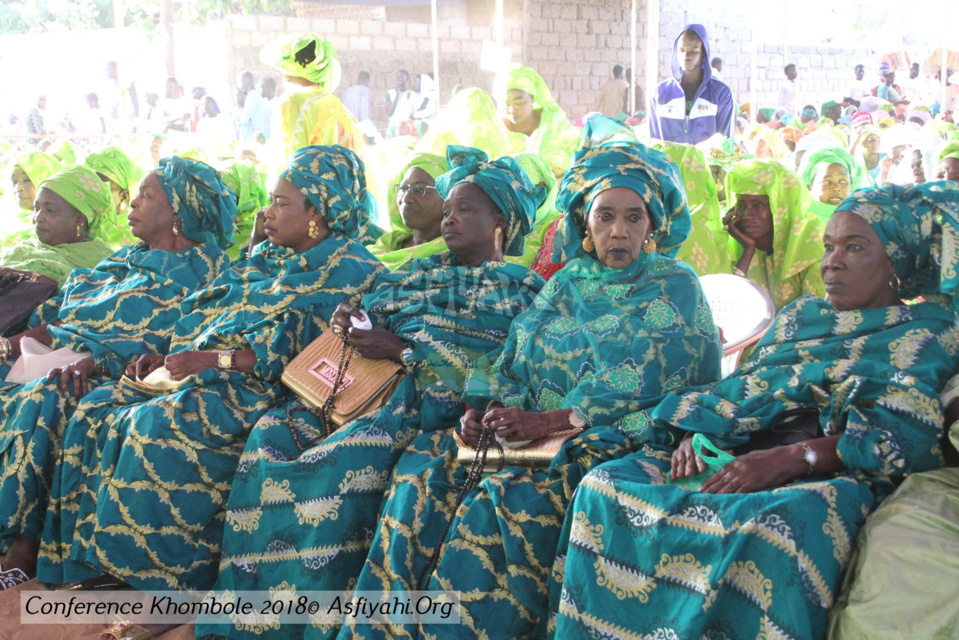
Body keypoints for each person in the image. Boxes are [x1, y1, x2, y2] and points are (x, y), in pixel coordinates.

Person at [344, 117, 723, 639]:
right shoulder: (565, 283)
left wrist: (552, 420)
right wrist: (481, 409)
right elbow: (515, 355)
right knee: (421, 472)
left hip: (605, 440)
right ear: (583, 225)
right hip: (523, 436)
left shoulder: (674, 285)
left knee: (497, 506)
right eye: (605, 216)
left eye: (634, 217)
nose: (619, 231)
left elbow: (655, 371)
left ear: (652, 225)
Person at [551, 182, 959, 640]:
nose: (832, 261)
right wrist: (696, 435)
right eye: (828, 246)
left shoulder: (926, 329)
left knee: (771, 530)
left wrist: (792, 458)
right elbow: (740, 387)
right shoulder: (800, 316)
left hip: (829, 466)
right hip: (737, 447)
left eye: (855, 247)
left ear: (896, 261)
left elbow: (906, 432)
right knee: (605, 486)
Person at [198, 146, 545, 640]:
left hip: (427, 409)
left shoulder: (524, 291)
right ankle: (251, 619)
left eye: (465, 209)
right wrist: (350, 319)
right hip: (358, 391)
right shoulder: (417, 273)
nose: (449, 219)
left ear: (501, 222)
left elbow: (499, 375)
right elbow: (366, 309)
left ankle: (308, 625)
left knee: (340, 463)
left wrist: (403, 352)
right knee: (271, 433)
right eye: (447, 209)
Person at [36, 147, 383, 604]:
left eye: (282, 203)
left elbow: (309, 354)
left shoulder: (353, 270)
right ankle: (93, 564)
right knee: (98, 408)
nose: (267, 212)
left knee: (158, 424)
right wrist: (166, 356)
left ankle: (158, 583)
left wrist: (211, 362)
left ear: (317, 211)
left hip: (266, 391)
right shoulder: (266, 260)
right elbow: (206, 314)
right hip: (203, 371)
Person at [0, 157, 233, 588]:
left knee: (50, 395)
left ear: (179, 212)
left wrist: (97, 358)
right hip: (50, 355)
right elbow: (57, 319)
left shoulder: (208, 273)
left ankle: (24, 543)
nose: (132, 204)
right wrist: (8, 346)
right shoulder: (119, 262)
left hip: (115, 374)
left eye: (147, 197)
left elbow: (178, 339)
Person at [723, 159, 826, 311]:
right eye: (741, 205)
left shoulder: (809, 240)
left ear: (780, 207)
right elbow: (727, 308)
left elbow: (818, 313)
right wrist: (748, 251)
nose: (746, 215)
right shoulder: (734, 243)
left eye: (757, 205)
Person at [0, 165, 115, 291]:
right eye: (36, 208)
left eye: (50, 210)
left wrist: (33, 278)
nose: (38, 217)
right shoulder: (23, 250)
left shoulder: (104, 264)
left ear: (79, 219)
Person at [265, 33, 365, 162]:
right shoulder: (337, 106)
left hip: (301, 181)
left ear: (286, 73)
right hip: (337, 182)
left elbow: (285, 161)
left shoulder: (291, 103)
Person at [648, 24, 735, 145]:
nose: (686, 56)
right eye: (682, 50)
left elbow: (726, 143)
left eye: (693, 51)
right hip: (668, 164)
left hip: (706, 164)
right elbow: (653, 143)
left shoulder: (721, 94)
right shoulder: (660, 93)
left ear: (703, 53)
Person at [496, 64, 581, 177]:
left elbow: (577, 153)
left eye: (519, 102)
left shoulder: (554, 121)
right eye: (507, 104)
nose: (512, 109)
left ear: (532, 99)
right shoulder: (498, 129)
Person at [370, 152, 450, 270]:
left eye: (419, 189)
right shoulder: (386, 243)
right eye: (403, 188)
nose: (406, 198)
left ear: (448, 197)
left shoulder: (451, 255)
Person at [84, 146, 144, 249]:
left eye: (104, 189)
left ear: (124, 196)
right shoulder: (85, 222)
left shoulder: (134, 232)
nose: (94, 194)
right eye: (91, 188)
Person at [2, 152, 62, 250]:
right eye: (14, 181)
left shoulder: (64, 228)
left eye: (26, 180)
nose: (18, 188)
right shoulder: (7, 221)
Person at [799, 146, 869, 224]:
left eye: (843, 182)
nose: (836, 188)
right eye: (826, 182)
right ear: (809, 185)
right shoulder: (798, 220)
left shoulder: (863, 221)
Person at [238, 77, 276, 142]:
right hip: (259, 139)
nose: (260, 89)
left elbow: (244, 119)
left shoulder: (255, 95)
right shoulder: (259, 98)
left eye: (262, 87)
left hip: (260, 139)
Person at [386, 69, 416, 137]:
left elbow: (413, 115)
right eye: (397, 77)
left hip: (406, 132)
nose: (398, 79)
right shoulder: (390, 93)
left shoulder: (412, 95)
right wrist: (397, 95)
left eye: (401, 77)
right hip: (392, 130)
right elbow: (389, 112)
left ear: (407, 79)